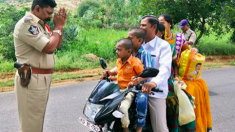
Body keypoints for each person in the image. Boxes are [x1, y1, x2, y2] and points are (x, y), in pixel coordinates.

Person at [13, 0, 67, 131]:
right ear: (37, 8)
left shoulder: (41, 25)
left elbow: (56, 44)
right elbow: (49, 47)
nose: (50, 16)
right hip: (32, 77)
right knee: (30, 125)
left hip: (40, 78)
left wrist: (60, 27)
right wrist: (57, 28)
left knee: (37, 121)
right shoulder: (27, 24)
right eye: (48, 13)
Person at [158, 14, 196, 132]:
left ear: (169, 24)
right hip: (159, 75)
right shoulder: (154, 39)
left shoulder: (179, 39)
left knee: (182, 99)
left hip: (175, 73)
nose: (160, 24)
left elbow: (188, 54)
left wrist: (194, 51)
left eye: (163, 22)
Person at [101, 38, 144, 132]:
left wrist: (135, 81)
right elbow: (120, 72)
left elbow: (142, 76)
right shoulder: (119, 61)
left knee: (122, 108)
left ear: (128, 51)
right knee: (104, 103)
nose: (116, 51)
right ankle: (101, 124)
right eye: (116, 49)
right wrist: (109, 74)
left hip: (129, 91)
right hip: (117, 88)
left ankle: (125, 128)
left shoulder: (135, 62)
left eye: (119, 50)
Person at [139, 15, 172, 132]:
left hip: (154, 92)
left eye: (143, 25)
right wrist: (111, 72)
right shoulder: (137, 43)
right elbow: (126, 61)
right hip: (135, 88)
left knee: (160, 128)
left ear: (153, 27)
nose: (140, 27)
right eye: (140, 24)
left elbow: (165, 68)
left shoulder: (163, 46)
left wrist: (153, 83)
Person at [127, 27, 153, 132]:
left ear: (139, 41)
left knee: (142, 99)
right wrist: (109, 72)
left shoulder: (145, 54)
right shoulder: (127, 52)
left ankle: (139, 127)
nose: (128, 40)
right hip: (126, 84)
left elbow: (149, 72)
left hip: (140, 87)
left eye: (130, 38)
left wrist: (138, 79)